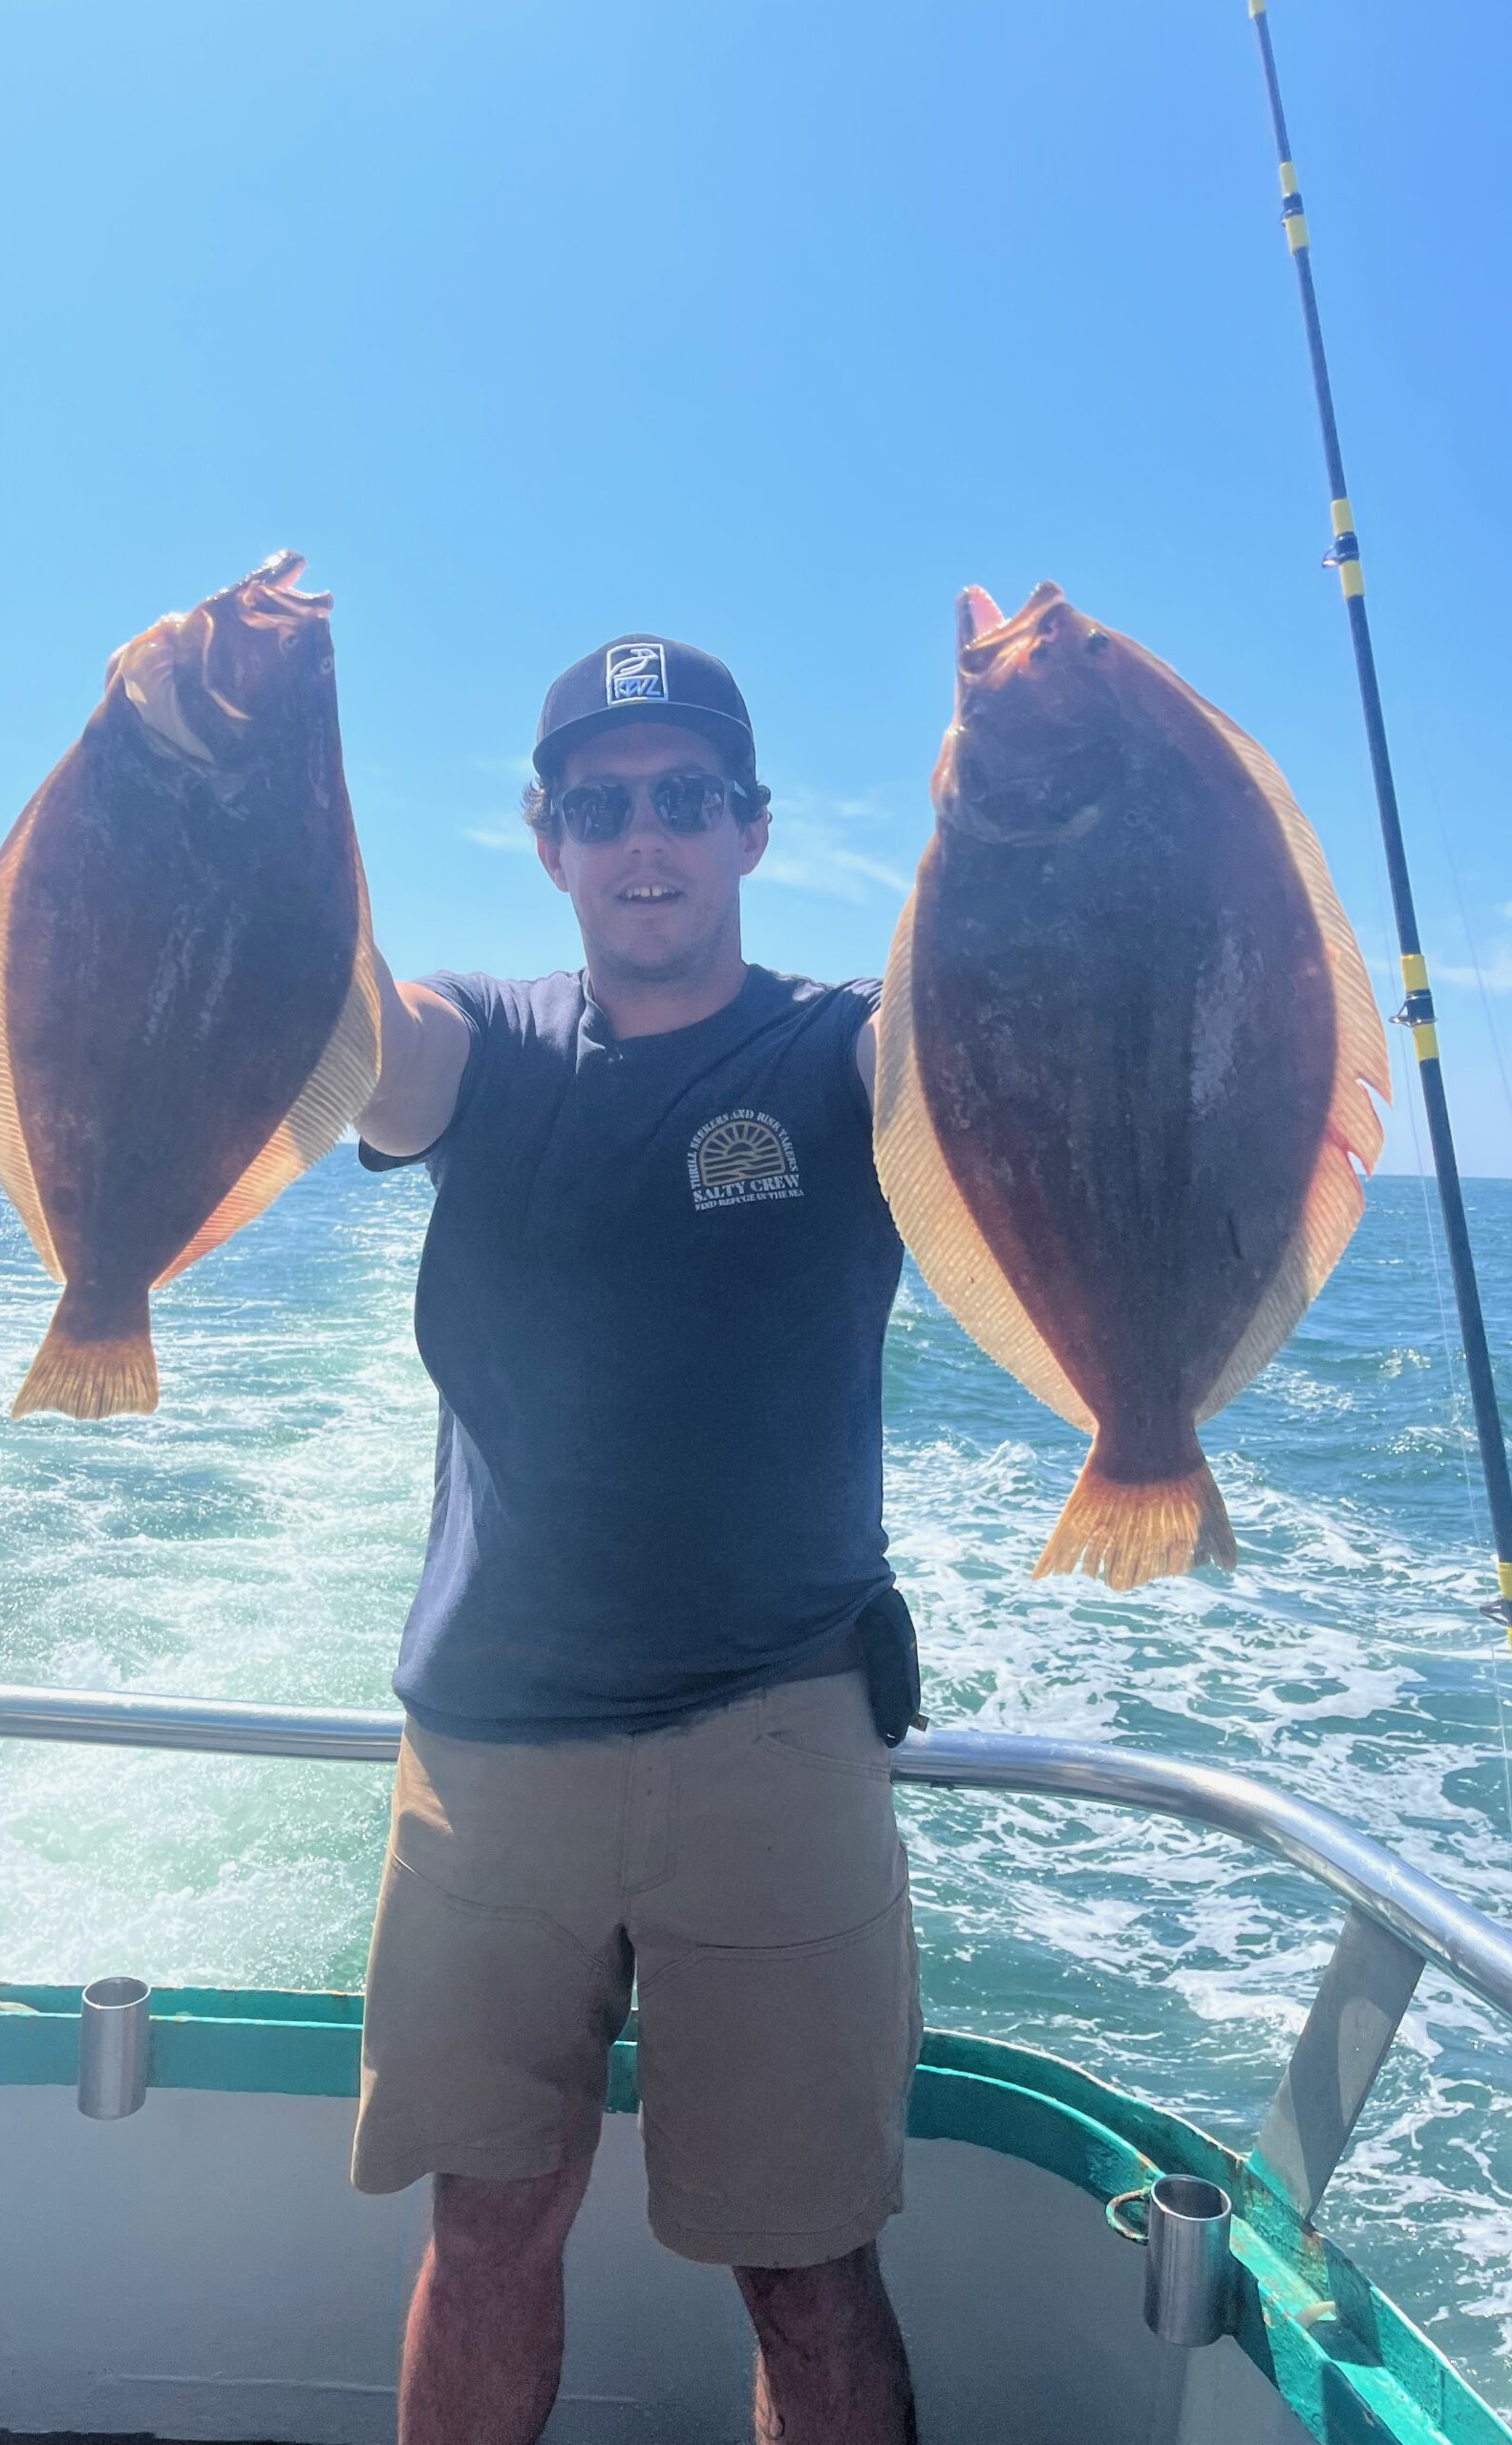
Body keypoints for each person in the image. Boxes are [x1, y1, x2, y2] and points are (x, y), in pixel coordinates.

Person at [351, 633, 922, 2445]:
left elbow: (992, 1043)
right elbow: (368, 1056)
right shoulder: (487, 1037)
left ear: (754, 829)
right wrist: (239, 785)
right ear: (546, 843)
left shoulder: (846, 1052)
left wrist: (1040, 793)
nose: (645, 837)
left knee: (807, 2266)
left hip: (775, 1729)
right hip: (491, 1746)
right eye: (601, 807)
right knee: (487, 2227)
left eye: (687, 798)